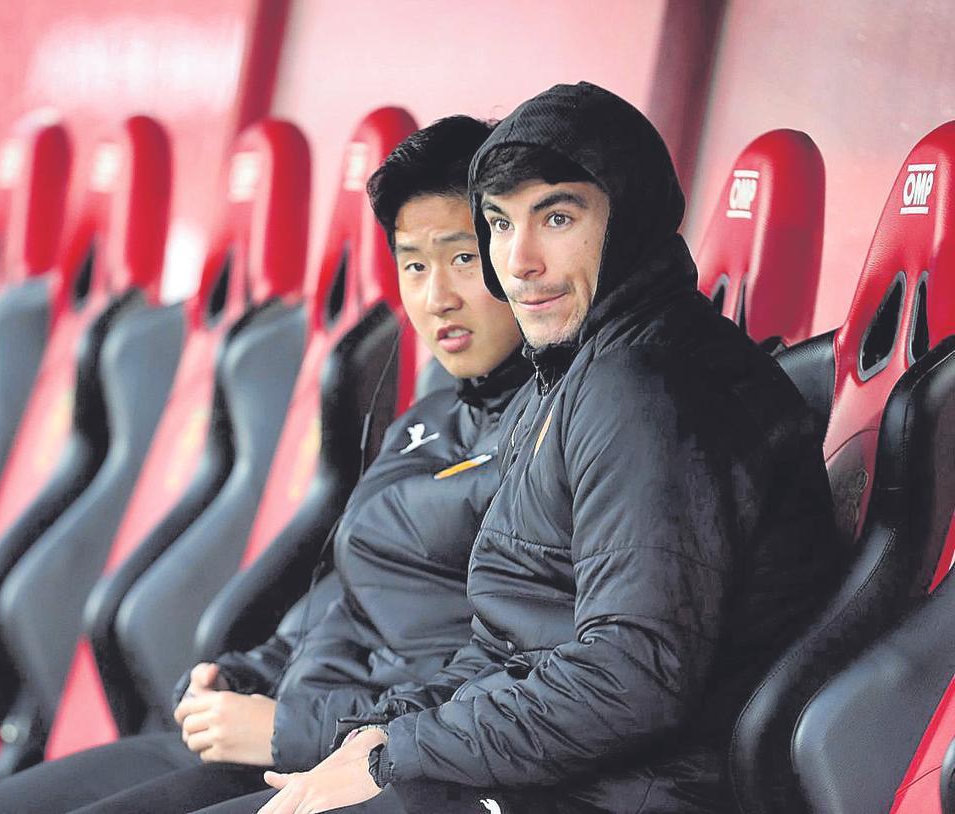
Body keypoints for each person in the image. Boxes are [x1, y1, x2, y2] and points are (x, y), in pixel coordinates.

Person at [206, 81, 841, 814]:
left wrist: (396, 753)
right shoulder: (581, 369)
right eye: (500, 226)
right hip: (555, 773)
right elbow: (511, 648)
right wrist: (378, 737)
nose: (521, 260)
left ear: (628, 219)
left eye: (558, 217)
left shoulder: (645, 385)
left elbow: (632, 676)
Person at [0, 114, 531, 814]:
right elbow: (342, 607)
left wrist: (291, 729)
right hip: (296, 731)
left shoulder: (559, 432)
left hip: (377, 759)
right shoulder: (426, 422)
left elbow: (511, 678)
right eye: (414, 264)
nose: (436, 296)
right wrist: (243, 678)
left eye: (462, 258)